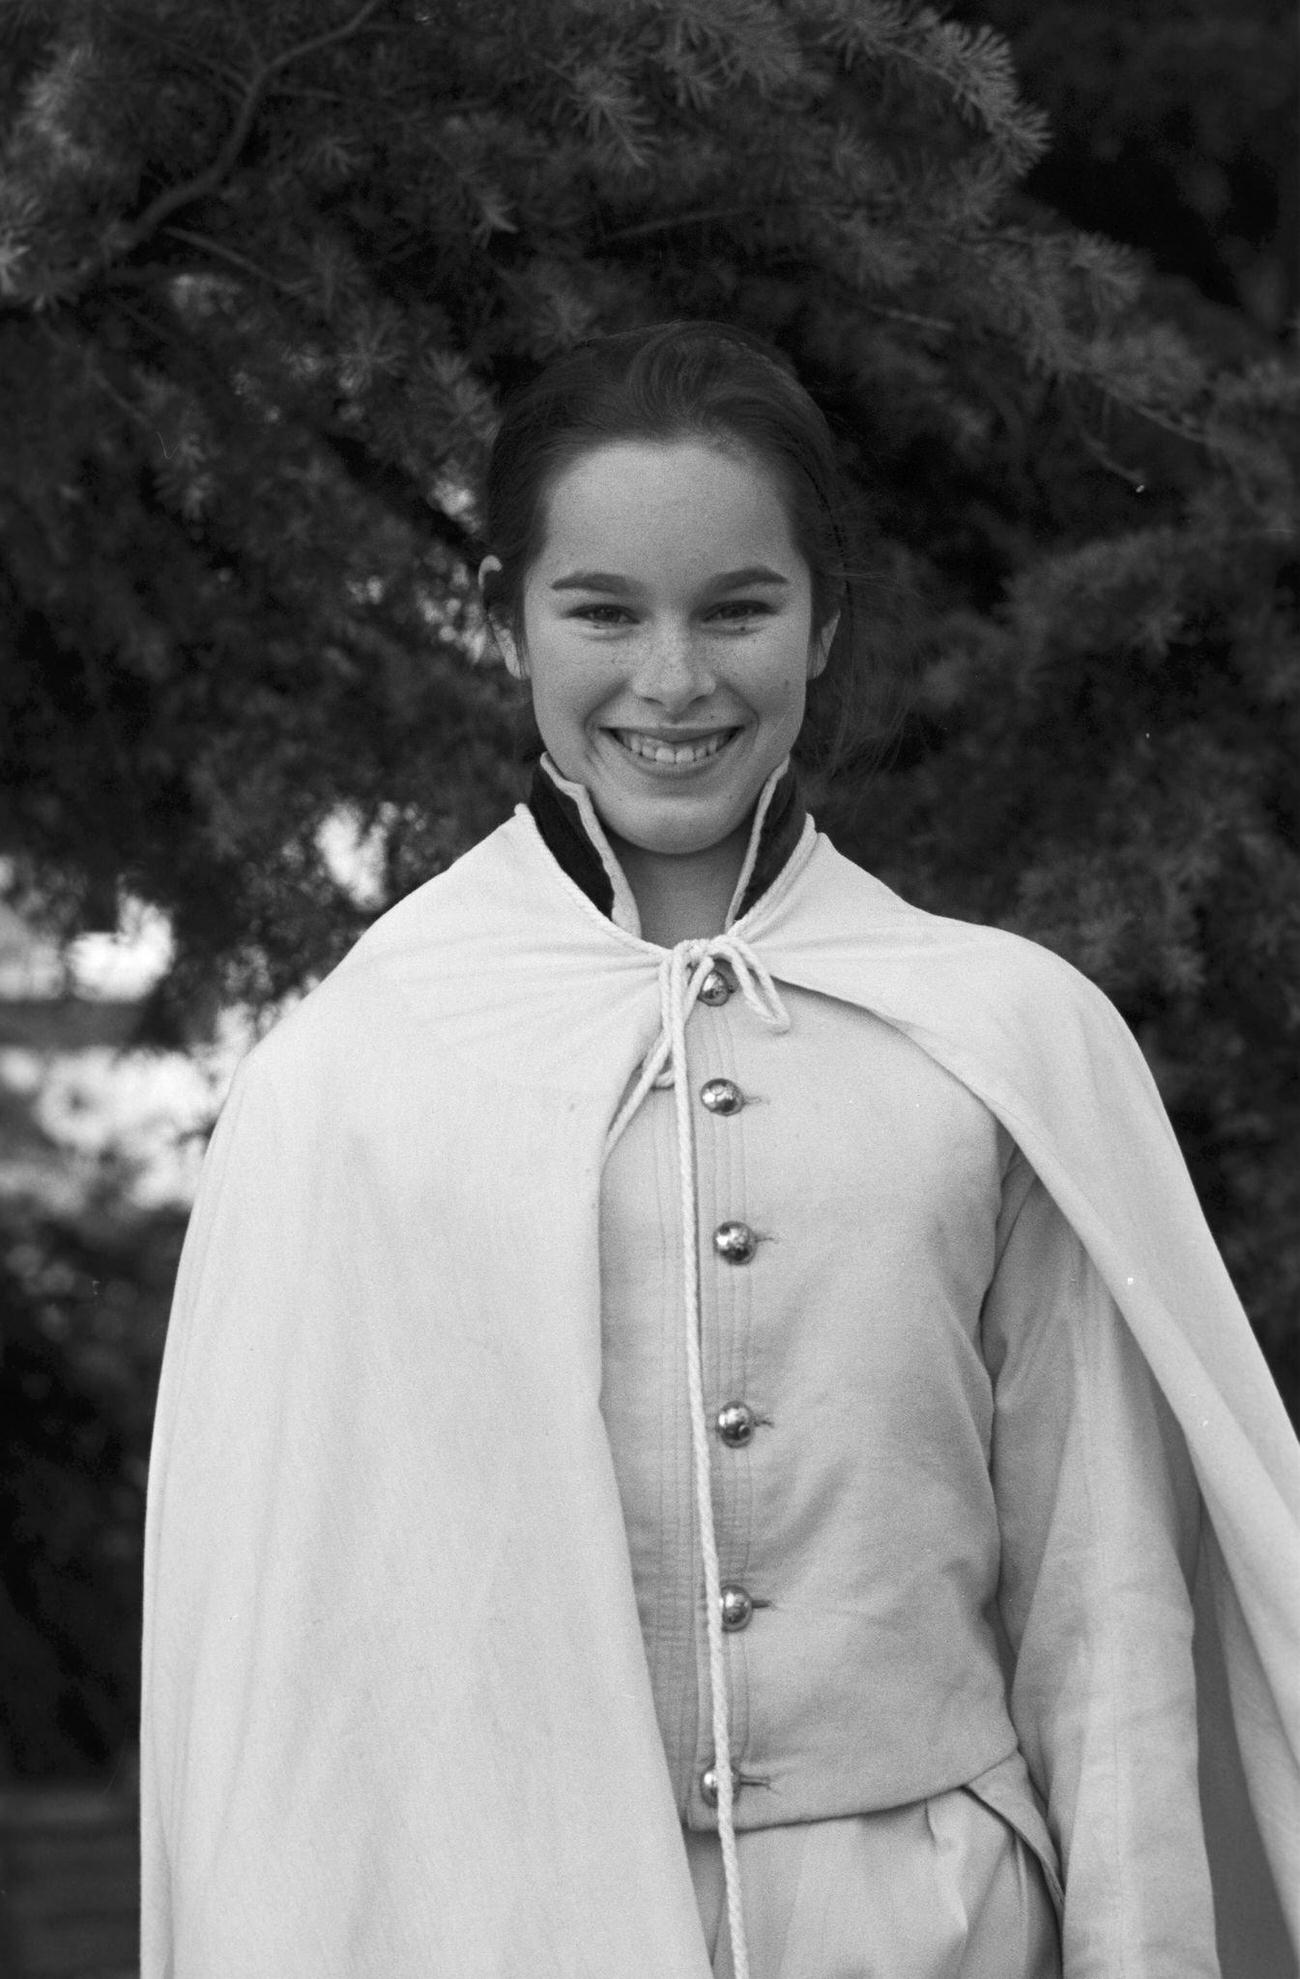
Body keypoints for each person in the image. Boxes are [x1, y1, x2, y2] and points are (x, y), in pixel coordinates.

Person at [140, 322, 1300, 1979]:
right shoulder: (360, 1068)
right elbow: (286, 1653)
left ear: (825, 622)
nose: (671, 681)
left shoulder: (998, 1037)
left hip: (939, 1929)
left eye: (736, 609)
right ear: (504, 619)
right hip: (496, 1927)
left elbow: (1104, 1603)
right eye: (602, 610)